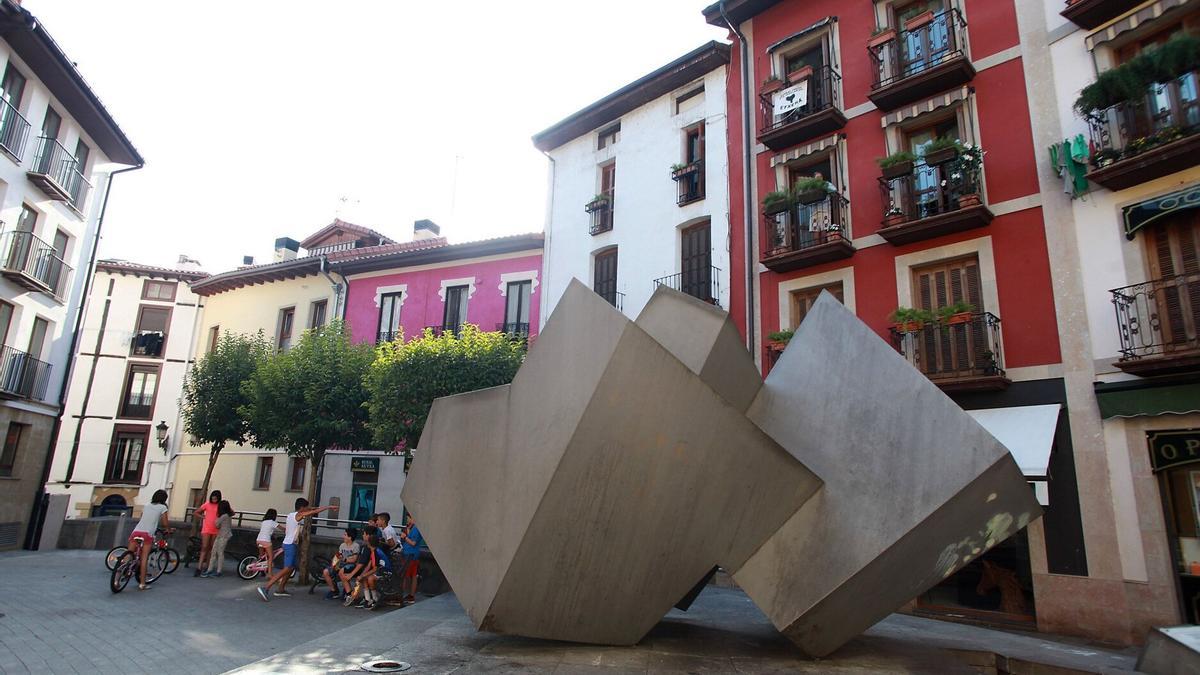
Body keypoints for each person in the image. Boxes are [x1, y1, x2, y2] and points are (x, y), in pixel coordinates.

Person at [257, 498, 337, 602]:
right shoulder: (298, 515)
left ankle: (281, 588)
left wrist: (313, 508)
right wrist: (329, 507)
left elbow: (312, 509)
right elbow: (313, 511)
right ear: (302, 508)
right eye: (306, 507)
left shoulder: (291, 515)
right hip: (290, 544)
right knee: (287, 568)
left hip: (288, 543)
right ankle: (266, 587)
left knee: (291, 568)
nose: (308, 509)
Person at [129, 489, 171, 591]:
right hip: (147, 534)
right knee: (144, 559)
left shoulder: (147, 505)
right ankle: (142, 584)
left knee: (128, 555)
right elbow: (165, 523)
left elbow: (142, 517)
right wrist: (168, 529)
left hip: (136, 531)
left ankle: (118, 578)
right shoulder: (163, 507)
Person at [344, 531, 391, 610]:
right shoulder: (373, 551)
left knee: (370, 578)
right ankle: (368, 599)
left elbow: (375, 568)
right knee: (364, 578)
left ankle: (375, 599)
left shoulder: (376, 552)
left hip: (386, 572)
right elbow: (369, 565)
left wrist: (363, 575)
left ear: (369, 543)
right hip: (380, 571)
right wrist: (362, 575)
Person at [322, 528, 361, 599]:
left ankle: (347, 591)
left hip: (350, 565)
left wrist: (344, 559)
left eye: (345, 535)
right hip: (341, 564)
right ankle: (334, 591)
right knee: (326, 571)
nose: (343, 536)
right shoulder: (342, 545)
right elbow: (338, 555)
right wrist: (334, 563)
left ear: (350, 537)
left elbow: (354, 560)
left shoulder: (356, 546)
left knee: (342, 571)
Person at [192, 490, 222, 577]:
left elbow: (231, 512)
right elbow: (196, 512)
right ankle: (199, 567)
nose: (214, 500)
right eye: (213, 498)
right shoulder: (207, 504)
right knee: (204, 547)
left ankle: (208, 566)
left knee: (211, 548)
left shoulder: (221, 505)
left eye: (215, 498)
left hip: (216, 529)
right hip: (207, 529)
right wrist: (203, 517)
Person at [202, 500, 234, 578]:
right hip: (222, 535)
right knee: (216, 552)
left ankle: (216, 570)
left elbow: (216, 524)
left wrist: (216, 519)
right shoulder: (228, 516)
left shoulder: (223, 516)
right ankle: (212, 570)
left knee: (218, 553)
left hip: (223, 536)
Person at [400, 514, 423, 605]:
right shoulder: (412, 528)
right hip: (410, 554)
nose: (407, 520)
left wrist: (405, 537)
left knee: (406, 575)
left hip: (411, 555)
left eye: (408, 518)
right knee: (412, 575)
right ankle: (410, 595)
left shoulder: (416, 529)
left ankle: (402, 595)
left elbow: (413, 543)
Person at [256, 508, 281, 578]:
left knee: (261, 556)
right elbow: (283, 529)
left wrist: (272, 535)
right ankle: (270, 574)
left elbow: (266, 531)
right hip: (266, 540)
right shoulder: (273, 522)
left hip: (258, 539)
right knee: (271, 557)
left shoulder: (264, 522)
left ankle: (261, 571)